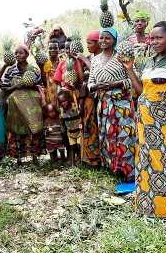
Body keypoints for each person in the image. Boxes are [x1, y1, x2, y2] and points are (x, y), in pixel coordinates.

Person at [122, 21, 166, 218]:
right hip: (145, 122)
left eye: (159, 38)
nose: (153, 41)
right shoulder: (150, 60)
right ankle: (148, 205)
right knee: (147, 162)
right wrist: (129, 69)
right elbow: (142, 92)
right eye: (152, 38)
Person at [88, 28, 137, 185]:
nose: (103, 41)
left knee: (125, 135)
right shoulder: (94, 60)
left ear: (114, 40)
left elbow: (133, 80)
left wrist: (115, 83)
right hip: (104, 104)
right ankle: (114, 168)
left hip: (121, 102)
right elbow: (90, 82)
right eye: (101, 38)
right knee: (109, 136)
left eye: (107, 38)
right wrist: (95, 87)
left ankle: (129, 171)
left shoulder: (122, 57)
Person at [1, 44, 43, 164]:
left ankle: (35, 155)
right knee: (17, 129)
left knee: (33, 127)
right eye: (16, 53)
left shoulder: (34, 70)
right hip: (16, 104)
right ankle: (19, 157)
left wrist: (30, 84)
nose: (18, 55)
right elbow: (4, 88)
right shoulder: (10, 70)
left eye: (21, 53)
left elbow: (40, 86)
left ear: (27, 54)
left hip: (32, 104)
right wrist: (16, 86)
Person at [77, 30, 102, 166]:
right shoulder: (88, 57)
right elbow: (82, 78)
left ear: (98, 43)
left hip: (97, 98)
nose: (87, 45)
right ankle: (88, 158)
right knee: (87, 126)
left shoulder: (101, 58)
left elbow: (99, 74)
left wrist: (85, 60)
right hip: (87, 98)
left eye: (90, 43)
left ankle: (97, 159)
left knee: (96, 127)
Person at [57, 89, 82, 165]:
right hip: (70, 132)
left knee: (79, 146)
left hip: (79, 131)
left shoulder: (75, 107)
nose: (63, 103)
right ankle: (73, 163)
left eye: (65, 101)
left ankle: (80, 160)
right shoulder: (61, 110)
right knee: (72, 147)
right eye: (61, 102)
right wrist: (62, 127)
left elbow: (81, 115)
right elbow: (61, 120)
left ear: (69, 99)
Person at [40, 40, 60, 106]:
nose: (52, 50)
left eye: (55, 48)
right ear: (47, 50)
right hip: (49, 94)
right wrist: (41, 67)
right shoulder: (45, 63)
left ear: (58, 49)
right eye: (50, 48)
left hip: (62, 94)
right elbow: (44, 82)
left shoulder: (63, 61)